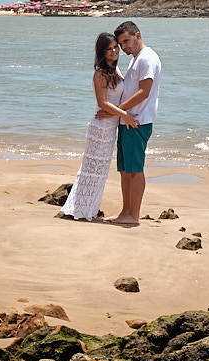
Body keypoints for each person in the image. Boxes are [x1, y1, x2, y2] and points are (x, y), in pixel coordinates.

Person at [61, 33, 137, 221]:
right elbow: (102, 103)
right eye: (109, 48)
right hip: (100, 128)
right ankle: (81, 211)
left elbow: (111, 104)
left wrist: (116, 113)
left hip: (110, 127)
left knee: (100, 172)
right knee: (92, 171)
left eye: (115, 47)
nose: (114, 51)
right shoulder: (100, 73)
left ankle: (88, 210)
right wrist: (124, 115)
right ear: (102, 52)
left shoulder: (116, 70)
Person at [105, 20, 162, 225]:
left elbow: (144, 92)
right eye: (121, 44)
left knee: (135, 169)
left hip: (137, 122)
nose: (124, 47)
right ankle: (125, 211)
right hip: (126, 121)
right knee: (124, 169)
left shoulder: (147, 58)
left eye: (127, 41)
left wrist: (120, 111)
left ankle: (133, 215)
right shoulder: (136, 59)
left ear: (137, 34)